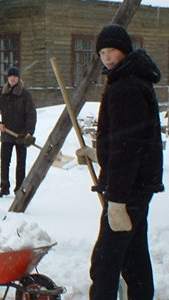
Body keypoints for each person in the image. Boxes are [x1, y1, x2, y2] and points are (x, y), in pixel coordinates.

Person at [78, 25, 164, 300]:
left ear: (124, 50)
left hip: (127, 190)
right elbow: (127, 141)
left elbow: (128, 148)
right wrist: (99, 154)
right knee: (133, 256)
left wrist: (116, 199)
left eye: (111, 50)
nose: (107, 57)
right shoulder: (133, 81)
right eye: (102, 52)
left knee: (106, 261)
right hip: (137, 186)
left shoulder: (125, 86)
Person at [0, 66, 37, 198]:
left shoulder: (25, 94)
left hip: (21, 135)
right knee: (5, 162)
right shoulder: (1, 94)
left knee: (21, 163)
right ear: (8, 78)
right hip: (6, 134)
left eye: (15, 76)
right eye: (10, 76)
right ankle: (4, 187)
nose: (12, 78)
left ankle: (19, 188)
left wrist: (29, 132)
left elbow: (31, 114)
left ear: (19, 78)